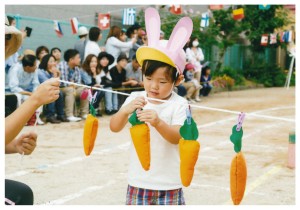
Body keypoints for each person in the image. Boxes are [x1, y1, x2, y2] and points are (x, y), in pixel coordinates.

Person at [109, 7, 191, 205]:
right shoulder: (136, 97)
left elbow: (177, 137)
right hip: (139, 181)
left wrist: (158, 122)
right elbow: (114, 126)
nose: (154, 86)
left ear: (177, 80)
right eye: (148, 78)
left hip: (169, 184)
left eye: (162, 82)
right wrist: (125, 110)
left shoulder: (180, 104)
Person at [5, 15, 60, 205]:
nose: (4, 45)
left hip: (26, 94)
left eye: (7, 40)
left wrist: (13, 146)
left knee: (22, 193)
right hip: (18, 93)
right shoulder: (14, 71)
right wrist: (35, 99)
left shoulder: (34, 72)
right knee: (19, 195)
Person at [7, 54, 45, 125]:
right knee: (19, 97)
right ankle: (20, 119)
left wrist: (35, 93)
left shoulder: (34, 70)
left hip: (27, 91)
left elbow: (36, 84)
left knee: (37, 96)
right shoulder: (15, 69)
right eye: (34, 65)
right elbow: (14, 87)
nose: (36, 67)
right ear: (27, 67)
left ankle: (36, 117)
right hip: (13, 91)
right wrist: (29, 93)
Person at [59, 49, 89, 121]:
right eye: (78, 57)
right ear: (71, 59)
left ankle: (84, 113)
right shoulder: (62, 66)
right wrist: (72, 84)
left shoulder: (77, 68)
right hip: (60, 89)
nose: (80, 59)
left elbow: (77, 83)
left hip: (73, 88)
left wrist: (72, 84)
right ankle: (69, 115)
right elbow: (63, 83)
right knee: (70, 90)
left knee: (85, 89)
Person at [38, 54, 69, 123]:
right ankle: (50, 116)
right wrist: (55, 75)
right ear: (45, 62)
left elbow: (58, 84)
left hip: (51, 89)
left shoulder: (51, 71)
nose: (53, 63)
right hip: (42, 91)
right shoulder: (40, 72)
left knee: (59, 92)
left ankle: (60, 115)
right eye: (51, 61)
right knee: (53, 92)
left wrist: (58, 75)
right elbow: (49, 84)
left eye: (54, 61)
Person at [185, 37, 204, 102]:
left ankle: (196, 96)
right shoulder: (188, 49)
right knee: (192, 81)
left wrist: (197, 58)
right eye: (195, 40)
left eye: (197, 40)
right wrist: (196, 58)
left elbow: (202, 57)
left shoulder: (199, 49)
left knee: (198, 81)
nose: (196, 41)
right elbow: (189, 58)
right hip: (191, 68)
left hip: (198, 67)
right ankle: (190, 96)